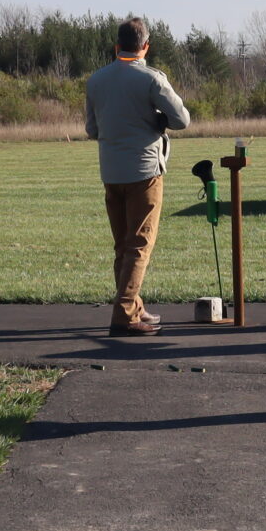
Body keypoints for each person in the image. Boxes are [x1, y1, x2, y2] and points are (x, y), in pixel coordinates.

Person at [84, 18, 191, 337]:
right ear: (146, 46)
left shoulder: (97, 80)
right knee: (140, 245)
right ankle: (125, 314)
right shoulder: (152, 79)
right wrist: (156, 120)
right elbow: (181, 119)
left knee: (123, 246)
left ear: (117, 46)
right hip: (144, 172)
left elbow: (92, 130)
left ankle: (135, 305)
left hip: (111, 172)